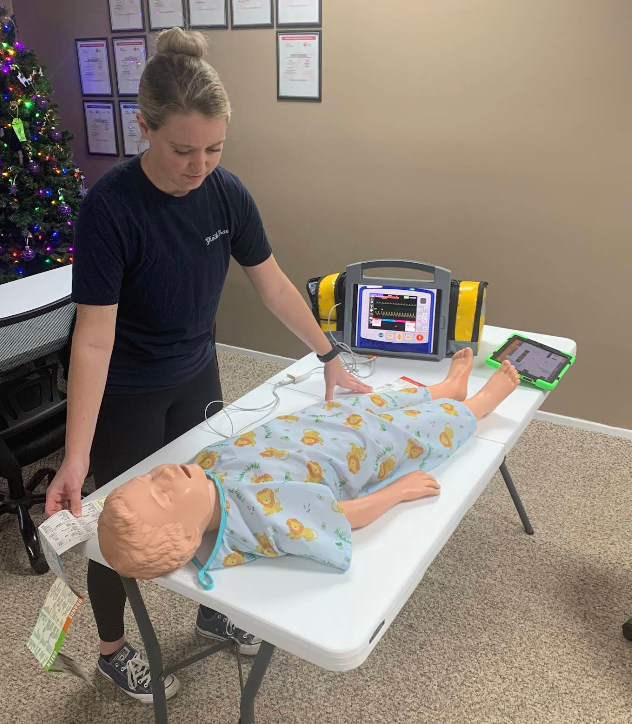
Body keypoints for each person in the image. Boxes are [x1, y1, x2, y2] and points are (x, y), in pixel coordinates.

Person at [44, 27, 370, 704]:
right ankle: (112, 649)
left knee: (212, 496)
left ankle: (210, 605)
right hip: (128, 389)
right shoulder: (110, 209)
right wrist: (75, 458)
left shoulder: (226, 193)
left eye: (214, 148)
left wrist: (328, 356)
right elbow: (93, 340)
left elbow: (272, 283)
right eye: (182, 149)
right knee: (116, 523)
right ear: (144, 127)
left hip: (196, 371)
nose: (199, 166)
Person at [97, 349, 521, 582]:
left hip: (323, 425)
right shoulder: (257, 514)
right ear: (188, 533)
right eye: (163, 492)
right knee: (414, 431)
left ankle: (445, 388)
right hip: (357, 452)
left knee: (381, 401)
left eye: (151, 475)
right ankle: (478, 406)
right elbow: (339, 517)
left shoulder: (199, 471)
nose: (165, 473)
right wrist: (397, 492)